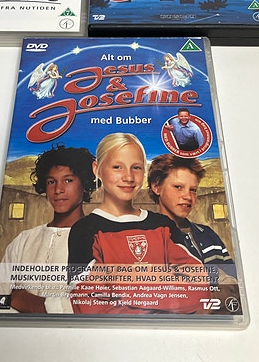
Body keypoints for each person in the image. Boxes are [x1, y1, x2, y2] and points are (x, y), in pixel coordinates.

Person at [68, 133, 209, 315]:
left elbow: (199, 290)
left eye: (136, 167)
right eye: (117, 167)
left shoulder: (163, 225)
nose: (128, 177)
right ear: (97, 169)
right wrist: (160, 281)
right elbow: (88, 304)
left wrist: (117, 280)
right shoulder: (84, 230)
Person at [0, 145, 96, 314]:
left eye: (68, 180)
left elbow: (87, 306)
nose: (58, 190)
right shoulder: (24, 240)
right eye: (51, 182)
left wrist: (24, 301)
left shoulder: (97, 241)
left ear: (84, 184)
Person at [147, 154, 239, 309]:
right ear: (157, 187)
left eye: (193, 190)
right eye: (178, 187)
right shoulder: (145, 237)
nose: (187, 196)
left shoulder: (208, 234)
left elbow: (234, 285)